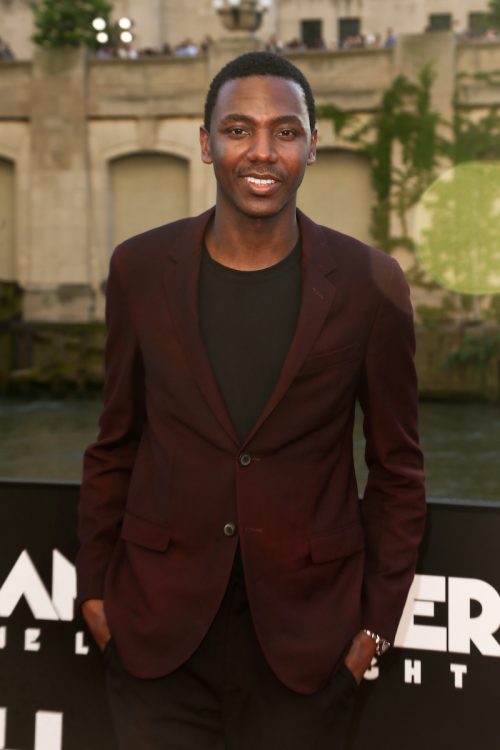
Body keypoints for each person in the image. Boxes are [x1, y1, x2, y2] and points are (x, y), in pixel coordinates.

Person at [77, 51, 426, 750]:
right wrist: (95, 600)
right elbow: (115, 442)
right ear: (207, 144)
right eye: (238, 129)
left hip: (307, 650)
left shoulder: (370, 283)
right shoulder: (139, 269)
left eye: (285, 131)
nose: (262, 151)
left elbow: (398, 471)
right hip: (156, 642)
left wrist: (371, 631)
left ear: (312, 145)